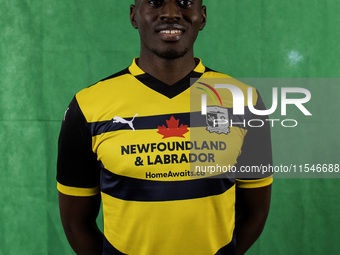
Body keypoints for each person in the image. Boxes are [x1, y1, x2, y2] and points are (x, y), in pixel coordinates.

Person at [57, 0, 273, 254]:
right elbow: (75, 223)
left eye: (185, 2)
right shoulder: (87, 105)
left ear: (201, 17)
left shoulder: (244, 101)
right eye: (155, 2)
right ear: (134, 16)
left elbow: (255, 213)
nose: (171, 13)